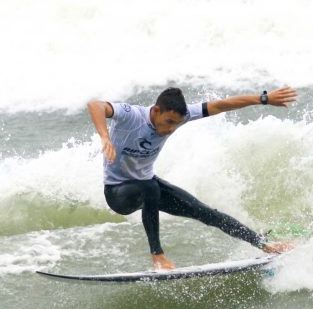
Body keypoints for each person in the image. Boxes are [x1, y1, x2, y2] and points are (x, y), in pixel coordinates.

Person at [88, 87, 297, 270]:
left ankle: (265, 245)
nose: (171, 129)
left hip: (149, 185)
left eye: (176, 124)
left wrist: (263, 99)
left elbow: (221, 105)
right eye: (169, 122)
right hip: (118, 193)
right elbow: (96, 105)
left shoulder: (182, 115)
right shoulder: (132, 115)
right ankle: (158, 256)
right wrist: (104, 137)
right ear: (155, 111)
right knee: (149, 187)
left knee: (205, 212)